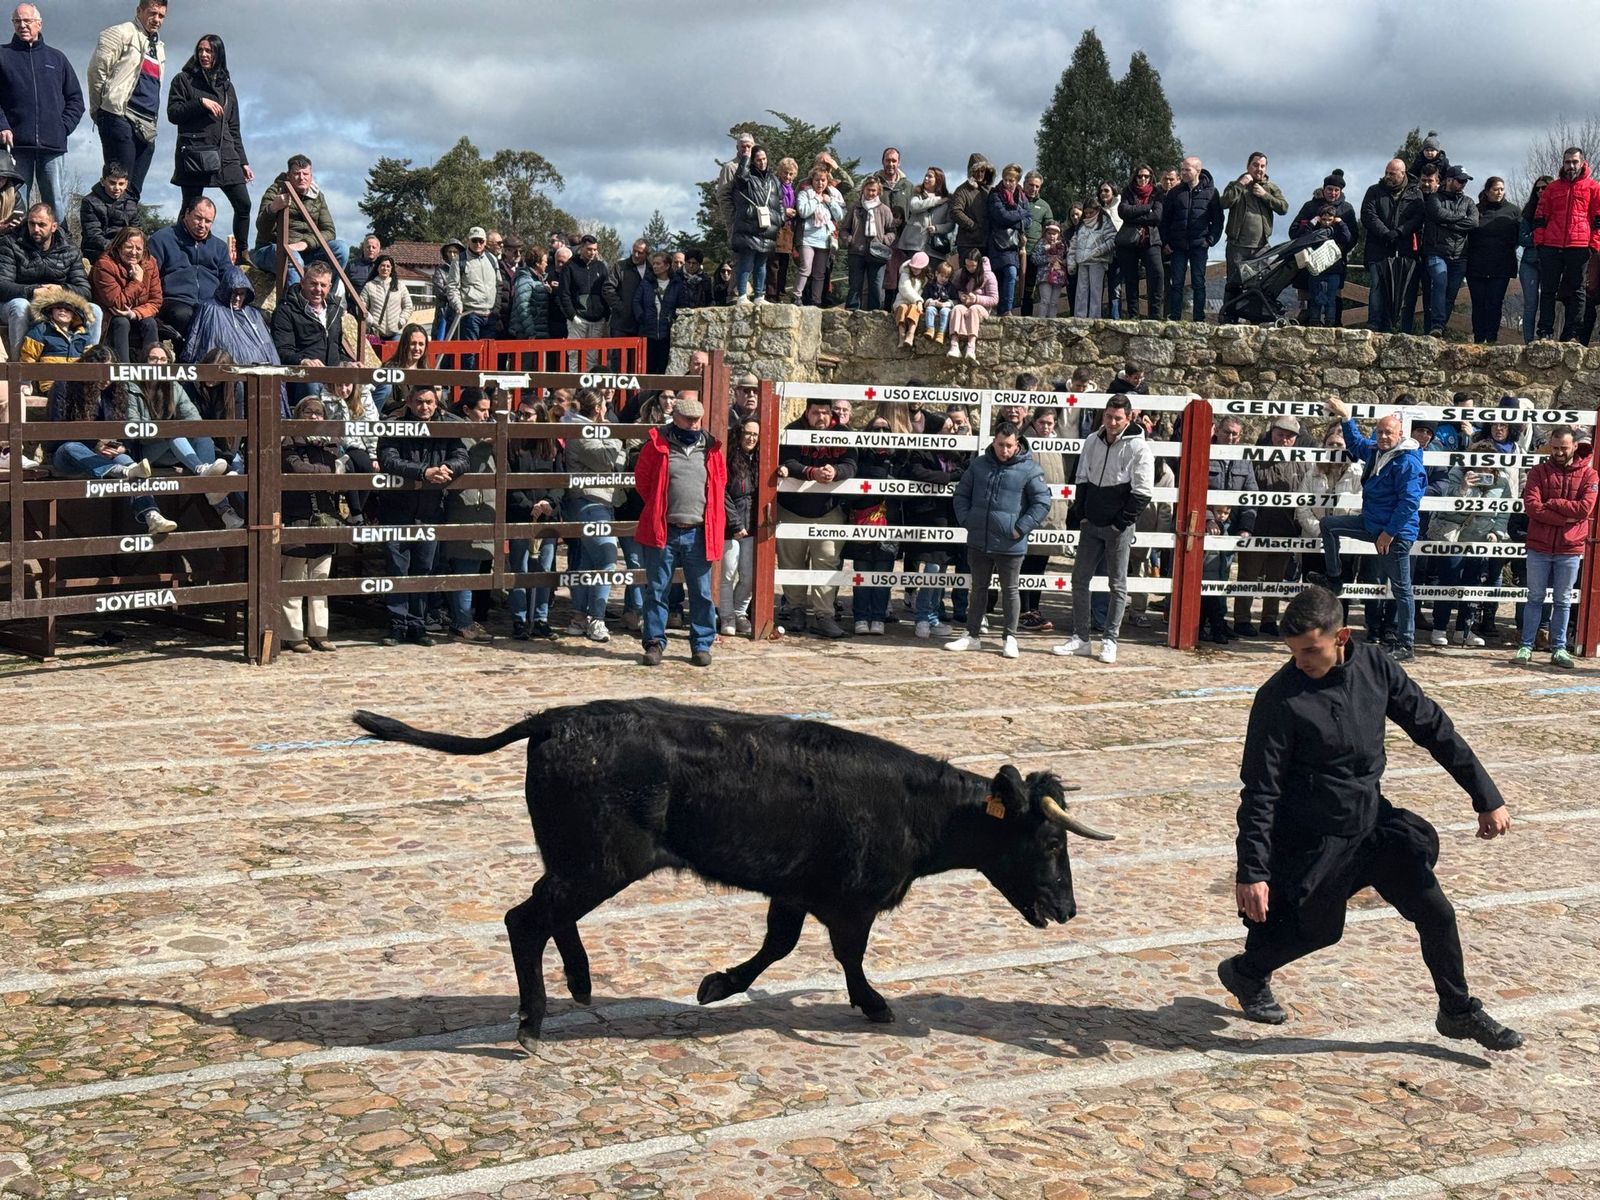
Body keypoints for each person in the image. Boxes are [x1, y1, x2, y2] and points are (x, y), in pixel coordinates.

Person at [1217, 585, 1524, 1052]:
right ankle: (1246, 971)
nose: (1300, 660)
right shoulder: (1279, 699)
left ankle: (1457, 1010)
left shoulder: (1376, 665)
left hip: (1374, 827)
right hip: (1312, 840)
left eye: (1310, 650)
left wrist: (1486, 796)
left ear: (1342, 636)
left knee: (1436, 912)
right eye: (1293, 652)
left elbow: (1434, 729)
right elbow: (1260, 792)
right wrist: (1252, 871)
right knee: (1320, 930)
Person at [1307, 399, 1424, 663]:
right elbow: (1358, 445)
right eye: (1380, 432)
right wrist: (1347, 419)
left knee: (1402, 589)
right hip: (1372, 524)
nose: (1383, 437)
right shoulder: (1377, 451)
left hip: (1396, 535)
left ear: (1400, 435)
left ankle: (1407, 644)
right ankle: (1335, 578)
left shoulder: (1407, 462)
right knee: (1329, 525)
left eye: (1388, 433)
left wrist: (1389, 533)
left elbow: (1409, 502)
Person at [1055, 395, 1153, 664]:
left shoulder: (1140, 448)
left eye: (1117, 418)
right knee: (1079, 579)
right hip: (1092, 524)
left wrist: (1120, 522)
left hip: (1118, 527)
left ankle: (1110, 639)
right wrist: (1082, 515)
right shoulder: (1091, 441)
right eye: (1108, 416)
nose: (1111, 422)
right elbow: (1082, 478)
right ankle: (1081, 638)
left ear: (1129, 418)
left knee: (1117, 584)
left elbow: (1143, 492)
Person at [943, 419, 1049, 658]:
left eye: (1009, 445)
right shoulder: (978, 465)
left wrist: (1020, 528)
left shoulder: (1030, 469)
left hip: (1010, 543)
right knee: (978, 589)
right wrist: (968, 521)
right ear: (994, 441)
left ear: (1017, 444)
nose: (1005, 450)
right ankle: (972, 635)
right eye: (1001, 444)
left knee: (1010, 590)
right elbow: (961, 495)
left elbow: (1042, 503)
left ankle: (1010, 637)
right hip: (979, 539)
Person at [633, 394, 725, 666]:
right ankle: (654, 642)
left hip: (699, 531)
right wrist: (660, 505)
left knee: (702, 593)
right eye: (689, 420)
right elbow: (644, 482)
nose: (695, 425)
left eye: (698, 420)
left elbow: (719, 485)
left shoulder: (711, 449)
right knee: (657, 590)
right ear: (676, 418)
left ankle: (701, 644)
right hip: (665, 529)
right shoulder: (656, 446)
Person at [45, 345, 176, 535]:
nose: (107, 378)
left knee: (130, 465)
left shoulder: (115, 389)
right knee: (70, 447)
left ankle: (152, 516)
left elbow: (127, 427)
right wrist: (93, 444)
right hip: (68, 455)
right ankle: (120, 471)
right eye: (102, 371)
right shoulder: (65, 385)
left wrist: (122, 446)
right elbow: (57, 431)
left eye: (111, 372)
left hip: (106, 454)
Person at [377, 385, 465, 646]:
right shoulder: (394, 426)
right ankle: (397, 625)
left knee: (424, 569)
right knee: (397, 569)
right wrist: (425, 472)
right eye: (419, 401)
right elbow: (388, 460)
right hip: (397, 509)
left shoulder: (447, 428)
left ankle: (418, 625)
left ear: (436, 403)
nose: (424, 407)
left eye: (429, 402)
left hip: (430, 510)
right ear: (408, 402)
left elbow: (462, 456)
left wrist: (448, 468)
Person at [776, 394, 857, 638]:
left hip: (828, 510)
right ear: (807, 411)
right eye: (815, 412)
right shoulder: (793, 430)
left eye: (824, 412)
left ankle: (824, 615)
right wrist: (811, 472)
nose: (820, 417)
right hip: (792, 509)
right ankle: (796, 610)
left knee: (827, 562)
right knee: (792, 563)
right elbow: (787, 460)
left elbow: (852, 463)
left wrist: (836, 471)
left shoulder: (843, 432)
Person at [1517, 426, 1597, 667]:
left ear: (1574, 446)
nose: (1559, 452)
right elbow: (1531, 506)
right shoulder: (1538, 471)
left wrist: (1552, 503)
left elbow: (1585, 509)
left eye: (1564, 448)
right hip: (1539, 545)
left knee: (1563, 600)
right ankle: (1525, 646)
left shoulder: (1589, 475)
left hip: (1569, 547)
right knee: (1535, 597)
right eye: (1555, 448)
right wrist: (1565, 517)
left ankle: (1559, 648)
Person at [167, 33, 253, 259]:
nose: (204, 55)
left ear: (218, 54)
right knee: (189, 208)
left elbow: (234, 128)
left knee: (243, 204)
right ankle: (179, 254)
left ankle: (243, 254)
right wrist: (200, 103)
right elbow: (173, 114)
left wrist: (243, 161)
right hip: (195, 153)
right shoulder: (183, 80)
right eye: (201, 50)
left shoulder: (227, 86)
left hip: (226, 153)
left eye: (209, 51)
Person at [0, 4, 81, 220]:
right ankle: (15, 249)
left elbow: (76, 100)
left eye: (27, 21)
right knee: (15, 201)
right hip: (15, 146)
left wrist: (62, 128)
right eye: (17, 21)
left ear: (39, 23)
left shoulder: (57, 59)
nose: (22, 25)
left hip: (52, 146)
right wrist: (3, 125)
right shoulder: (3, 55)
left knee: (55, 201)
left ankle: (60, 246)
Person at [1426, 441, 1511, 648]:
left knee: (1472, 584)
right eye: (1479, 463)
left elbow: (1504, 510)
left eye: (1488, 464)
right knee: (1448, 580)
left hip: (1480, 538)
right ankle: (1439, 627)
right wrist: (1464, 488)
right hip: (1454, 535)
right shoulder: (1457, 473)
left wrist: (1496, 532)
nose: (1484, 469)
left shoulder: (1502, 481)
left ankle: (1464, 630)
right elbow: (1446, 504)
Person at [561, 387, 625, 642]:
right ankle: (596, 618)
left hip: (597, 499)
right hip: (589, 500)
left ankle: (579, 616)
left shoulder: (583, 428)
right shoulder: (581, 430)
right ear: (598, 409)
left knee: (587, 561)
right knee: (608, 558)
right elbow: (608, 459)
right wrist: (616, 437)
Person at [1231, 415, 1305, 637]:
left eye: (1289, 436)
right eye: (1280, 434)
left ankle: (1269, 619)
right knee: (1248, 575)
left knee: (1276, 578)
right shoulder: (1256, 457)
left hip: (1285, 528)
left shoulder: (1302, 461)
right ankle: (1242, 619)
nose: (1284, 440)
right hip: (1257, 525)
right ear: (1272, 433)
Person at [279, 393, 340, 653]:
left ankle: (319, 633)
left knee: (320, 577)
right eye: (308, 412)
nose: (314, 417)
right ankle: (293, 634)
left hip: (325, 513)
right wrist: (328, 472)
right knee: (294, 577)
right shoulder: (288, 440)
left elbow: (341, 471)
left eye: (318, 413)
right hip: (297, 512)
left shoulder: (331, 443)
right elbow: (296, 470)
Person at [86, 0, 165, 201]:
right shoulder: (119, 33)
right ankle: (106, 230)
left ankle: (127, 232)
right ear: (139, 11)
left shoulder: (159, 46)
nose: (156, 19)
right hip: (119, 115)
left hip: (147, 124)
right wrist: (102, 110)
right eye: (152, 13)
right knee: (116, 185)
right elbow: (96, 72)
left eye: (161, 16)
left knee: (133, 192)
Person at [0, 201, 95, 354]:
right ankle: (20, 372)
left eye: (42, 224)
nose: (35, 229)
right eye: (32, 224)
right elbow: (2, 285)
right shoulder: (10, 244)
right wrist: (32, 291)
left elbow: (85, 291)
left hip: (57, 303)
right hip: (19, 300)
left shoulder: (70, 251)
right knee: (20, 307)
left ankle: (89, 370)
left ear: (54, 226)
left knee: (95, 310)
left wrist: (61, 290)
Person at [440, 386, 496, 643]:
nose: (487, 415)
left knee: (474, 569)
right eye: (482, 410)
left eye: (488, 410)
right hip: (466, 505)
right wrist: (487, 444)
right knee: (465, 567)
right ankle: (461, 621)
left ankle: (465, 618)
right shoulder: (460, 432)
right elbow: (466, 462)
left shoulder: (486, 431)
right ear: (466, 410)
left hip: (482, 505)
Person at [505, 396, 562, 641]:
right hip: (521, 514)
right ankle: (519, 619)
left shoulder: (552, 446)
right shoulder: (510, 444)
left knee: (544, 568)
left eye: (527, 414)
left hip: (547, 516)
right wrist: (530, 506)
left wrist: (549, 503)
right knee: (520, 569)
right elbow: (507, 480)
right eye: (519, 414)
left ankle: (541, 618)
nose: (522, 418)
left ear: (540, 416)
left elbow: (561, 479)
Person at [1533, 147, 1600, 342]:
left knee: (1578, 290)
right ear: (1563, 163)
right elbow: (1540, 216)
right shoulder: (1552, 188)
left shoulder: (1593, 188)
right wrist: (1540, 242)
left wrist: (1593, 245)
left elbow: (1598, 219)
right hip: (1551, 245)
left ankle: (1573, 333)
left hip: (1579, 246)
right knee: (1547, 290)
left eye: (1574, 162)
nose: (1571, 166)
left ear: (1582, 162)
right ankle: (1545, 331)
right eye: (1567, 162)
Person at [146, 195, 232, 342]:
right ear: (186, 214)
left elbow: (229, 278)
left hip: (210, 304)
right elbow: (150, 275)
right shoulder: (161, 239)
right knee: (184, 315)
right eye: (198, 218)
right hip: (174, 301)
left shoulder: (219, 247)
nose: (202, 224)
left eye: (208, 221)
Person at [250, 154, 347, 282]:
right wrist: (273, 208)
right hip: (272, 249)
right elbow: (262, 228)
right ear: (288, 175)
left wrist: (305, 243)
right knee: (293, 258)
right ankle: (295, 301)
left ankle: (328, 297)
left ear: (311, 176)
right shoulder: (276, 191)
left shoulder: (317, 196)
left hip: (305, 251)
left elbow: (329, 231)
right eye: (297, 173)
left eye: (305, 174)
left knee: (340, 249)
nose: (302, 178)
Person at [1361, 158, 1424, 334]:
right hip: (1377, 248)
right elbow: (1368, 214)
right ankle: (1373, 324)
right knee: (1377, 286)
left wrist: (1400, 232)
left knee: (1400, 290)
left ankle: (1395, 327)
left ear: (1402, 174)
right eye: (1386, 173)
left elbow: (1418, 217)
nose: (1387, 176)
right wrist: (1385, 233)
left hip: (1404, 250)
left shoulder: (1415, 193)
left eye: (1392, 173)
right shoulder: (1374, 191)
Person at [1019, 406, 1068, 631]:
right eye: (1042, 423)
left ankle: (1034, 608)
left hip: (1053, 516)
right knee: (1027, 565)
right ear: (1034, 422)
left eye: (1050, 423)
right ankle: (1025, 611)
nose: (1046, 427)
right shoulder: (1027, 444)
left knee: (1040, 566)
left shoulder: (1056, 445)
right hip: (1034, 516)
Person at [1220, 152, 1288, 309]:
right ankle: (1229, 317)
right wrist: (1240, 184)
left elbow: (1284, 208)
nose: (1259, 169)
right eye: (1255, 165)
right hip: (1237, 246)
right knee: (1234, 283)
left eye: (1262, 166)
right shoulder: (1236, 184)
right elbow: (1224, 202)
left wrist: (1265, 195)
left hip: (1261, 248)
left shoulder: (1271, 188)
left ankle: (1255, 319)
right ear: (1248, 166)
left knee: (1261, 284)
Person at [1159, 156, 1223, 321]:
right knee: (1177, 283)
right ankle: (1174, 318)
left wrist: (1209, 241)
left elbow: (1218, 220)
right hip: (1177, 246)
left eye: (1187, 169)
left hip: (1199, 245)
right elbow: (1165, 220)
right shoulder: (1174, 193)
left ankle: (1198, 319)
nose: (1184, 172)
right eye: (1182, 169)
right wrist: (1166, 242)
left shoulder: (1211, 192)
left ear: (1198, 171)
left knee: (1198, 283)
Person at [271, 261, 342, 403]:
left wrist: (351, 364)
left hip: (332, 376)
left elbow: (337, 349)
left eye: (323, 285)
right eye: (313, 283)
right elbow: (282, 351)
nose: (318, 289)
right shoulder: (286, 310)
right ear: (302, 282)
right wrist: (303, 361)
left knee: (380, 387)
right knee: (311, 383)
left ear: (329, 287)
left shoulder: (334, 310)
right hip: (302, 378)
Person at [1420, 164, 1478, 336]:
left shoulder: (1468, 201)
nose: (1463, 184)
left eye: (1465, 181)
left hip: (1460, 255)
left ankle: (1439, 328)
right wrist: (1461, 219)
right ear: (1449, 180)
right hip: (1436, 252)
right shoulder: (1434, 198)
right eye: (1460, 180)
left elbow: (1474, 222)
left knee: (1450, 294)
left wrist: (1447, 223)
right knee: (1439, 282)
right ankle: (1436, 325)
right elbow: (1437, 214)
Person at [90, 223, 161, 363]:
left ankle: (153, 371)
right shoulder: (105, 265)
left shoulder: (150, 263)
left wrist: (135, 314)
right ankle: (124, 374)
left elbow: (156, 300)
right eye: (129, 247)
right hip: (111, 318)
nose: (134, 252)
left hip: (136, 314)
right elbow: (116, 304)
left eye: (139, 248)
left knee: (150, 323)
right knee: (121, 322)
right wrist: (137, 282)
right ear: (119, 247)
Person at [721, 415, 760, 637]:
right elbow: (724, 492)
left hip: (752, 526)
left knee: (748, 575)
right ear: (740, 433)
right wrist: (735, 522)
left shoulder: (759, 459)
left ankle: (739, 612)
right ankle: (726, 616)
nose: (751, 438)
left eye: (755, 434)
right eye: (748, 433)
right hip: (730, 526)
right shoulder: (729, 458)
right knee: (727, 573)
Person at [1466, 176, 1517, 344]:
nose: (1499, 192)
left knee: (1495, 303)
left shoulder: (1513, 211)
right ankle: (1479, 339)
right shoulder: (1475, 209)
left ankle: (1492, 338)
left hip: (1501, 266)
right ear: (1487, 191)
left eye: (1502, 189)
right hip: (1476, 265)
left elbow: (1517, 238)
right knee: (1478, 303)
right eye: (1495, 189)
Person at [732, 145, 783, 303]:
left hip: (767, 227)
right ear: (753, 162)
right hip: (749, 226)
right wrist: (745, 158)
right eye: (758, 160)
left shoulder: (773, 180)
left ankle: (759, 295)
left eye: (764, 159)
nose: (762, 162)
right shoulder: (748, 176)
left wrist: (781, 218)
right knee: (746, 262)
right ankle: (742, 295)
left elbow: (780, 201)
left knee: (761, 264)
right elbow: (739, 178)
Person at [841, 175, 898, 311]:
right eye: (868, 190)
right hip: (857, 251)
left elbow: (892, 231)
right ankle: (851, 312)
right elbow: (844, 229)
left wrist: (885, 240)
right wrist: (849, 239)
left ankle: (875, 313)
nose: (871, 193)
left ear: (878, 191)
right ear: (863, 190)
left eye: (874, 190)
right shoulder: (855, 207)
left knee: (876, 286)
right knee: (855, 285)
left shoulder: (884, 210)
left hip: (878, 253)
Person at [1115, 165, 1163, 319]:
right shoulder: (1128, 191)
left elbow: (1157, 216)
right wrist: (1147, 207)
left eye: (1146, 176)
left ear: (1151, 177)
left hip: (1151, 240)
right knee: (1130, 278)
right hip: (1129, 242)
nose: (1143, 179)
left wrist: (1134, 215)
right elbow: (1123, 212)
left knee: (1157, 274)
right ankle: (1133, 315)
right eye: (1140, 176)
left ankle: (1155, 316)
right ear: (1135, 177)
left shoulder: (1157, 193)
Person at [791, 165, 843, 306]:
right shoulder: (804, 194)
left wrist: (830, 202)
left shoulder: (829, 196)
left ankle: (816, 301)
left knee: (820, 273)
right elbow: (803, 211)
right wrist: (816, 200)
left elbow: (839, 215)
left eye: (823, 180)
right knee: (806, 267)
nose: (820, 183)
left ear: (827, 181)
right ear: (812, 181)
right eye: (817, 180)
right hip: (807, 238)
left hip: (824, 240)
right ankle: (797, 296)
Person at [985, 163, 1029, 315]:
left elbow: (1029, 218)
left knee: (1011, 273)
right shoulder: (995, 194)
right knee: (997, 276)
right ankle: (995, 308)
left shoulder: (1022, 197)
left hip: (1013, 244)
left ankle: (1006, 310)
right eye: (1005, 180)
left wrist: (1018, 219)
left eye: (1012, 180)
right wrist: (1020, 215)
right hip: (997, 241)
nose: (1008, 183)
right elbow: (1002, 216)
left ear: (1017, 181)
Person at [633, 249, 686, 374]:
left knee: (663, 368)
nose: (655, 266)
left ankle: (661, 394)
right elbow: (636, 302)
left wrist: (673, 321)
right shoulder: (646, 283)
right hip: (648, 332)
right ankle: (647, 393)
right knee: (648, 368)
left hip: (666, 334)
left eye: (658, 263)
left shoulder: (677, 284)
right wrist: (642, 317)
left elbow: (682, 306)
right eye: (654, 264)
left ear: (667, 266)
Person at [78, 162, 139, 261]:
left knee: (150, 263)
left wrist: (131, 249)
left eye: (121, 184)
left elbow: (137, 231)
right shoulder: (89, 202)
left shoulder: (131, 203)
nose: (117, 188)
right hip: (98, 251)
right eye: (112, 183)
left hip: (126, 250)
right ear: (102, 181)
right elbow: (93, 235)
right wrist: (117, 250)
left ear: (126, 184)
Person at [1068, 197, 1116, 318]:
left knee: (1095, 291)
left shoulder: (1105, 222)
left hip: (1098, 261)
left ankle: (1094, 317)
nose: (1088, 215)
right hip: (1082, 261)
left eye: (1091, 212)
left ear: (1098, 210)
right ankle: (1080, 317)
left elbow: (1113, 239)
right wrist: (1071, 262)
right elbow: (1073, 244)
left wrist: (1099, 251)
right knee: (1081, 291)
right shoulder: (1081, 225)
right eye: (1086, 212)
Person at [558, 233, 611, 344]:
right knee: (575, 356)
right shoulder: (569, 266)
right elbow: (564, 294)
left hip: (597, 320)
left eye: (595, 250)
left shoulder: (601, 267)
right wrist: (572, 315)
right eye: (589, 249)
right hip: (578, 319)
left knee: (593, 358)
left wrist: (605, 315)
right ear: (581, 247)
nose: (592, 252)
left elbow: (606, 291)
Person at [948, 246, 997, 362]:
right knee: (957, 308)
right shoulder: (962, 273)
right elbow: (955, 289)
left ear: (979, 264)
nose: (969, 268)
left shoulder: (989, 276)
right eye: (967, 265)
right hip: (965, 306)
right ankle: (954, 344)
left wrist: (976, 299)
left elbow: (994, 299)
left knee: (974, 309)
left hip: (981, 308)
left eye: (972, 266)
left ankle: (971, 346)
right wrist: (961, 296)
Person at [1518, 177, 1551, 344]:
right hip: (1529, 262)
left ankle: (1546, 336)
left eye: (1544, 187)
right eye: (1537, 188)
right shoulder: (1528, 212)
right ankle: (1528, 342)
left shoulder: (1556, 210)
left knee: (1549, 298)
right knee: (1531, 303)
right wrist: (1539, 237)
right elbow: (1522, 239)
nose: (1540, 191)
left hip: (1550, 262)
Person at [1019, 170, 1053, 317]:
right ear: (1024, 184)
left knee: (1029, 288)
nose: (1033, 189)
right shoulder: (1015, 200)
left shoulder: (1044, 206)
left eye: (1037, 186)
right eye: (1031, 185)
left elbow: (1051, 229)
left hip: (1033, 253)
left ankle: (1026, 318)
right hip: (1013, 250)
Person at [949, 153, 995, 262]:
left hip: (988, 243)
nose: (979, 174)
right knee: (967, 277)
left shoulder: (990, 191)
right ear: (971, 171)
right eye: (976, 171)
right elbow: (955, 211)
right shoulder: (962, 190)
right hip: (968, 244)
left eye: (982, 171)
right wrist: (973, 226)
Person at [457, 226, 498, 346]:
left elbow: (499, 284)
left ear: (485, 242)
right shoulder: (460, 260)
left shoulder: (492, 259)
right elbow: (453, 287)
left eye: (481, 241)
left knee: (488, 353)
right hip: (470, 314)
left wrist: (496, 310)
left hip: (490, 314)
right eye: (474, 240)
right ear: (468, 241)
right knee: (470, 353)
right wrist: (458, 305)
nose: (478, 244)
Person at [360, 253, 411, 341]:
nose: (385, 268)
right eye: (383, 265)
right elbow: (361, 306)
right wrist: (369, 320)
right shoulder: (369, 286)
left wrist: (401, 320)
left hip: (396, 332)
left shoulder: (400, 286)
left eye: (388, 266)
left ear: (392, 269)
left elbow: (408, 306)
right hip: (375, 333)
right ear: (378, 267)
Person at [606, 237, 650, 337]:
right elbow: (608, 288)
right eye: (634, 251)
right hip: (621, 324)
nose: (636, 255)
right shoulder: (620, 266)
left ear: (647, 254)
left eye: (640, 252)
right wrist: (621, 308)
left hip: (642, 325)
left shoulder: (651, 269)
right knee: (618, 352)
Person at [509, 246, 551, 341]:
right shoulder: (525, 280)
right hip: (526, 334)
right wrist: (531, 332)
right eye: (545, 261)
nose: (547, 264)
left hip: (538, 331)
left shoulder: (538, 280)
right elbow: (523, 306)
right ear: (537, 263)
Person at [891, 251, 928, 347]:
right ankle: (902, 335)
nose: (914, 270)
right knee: (902, 308)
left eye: (917, 268)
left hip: (914, 305)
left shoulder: (925, 279)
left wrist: (918, 303)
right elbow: (905, 289)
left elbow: (921, 292)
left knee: (914, 309)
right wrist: (918, 301)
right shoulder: (905, 274)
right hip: (901, 302)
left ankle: (910, 334)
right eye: (913, 267)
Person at [1031, 220, 1067, 318]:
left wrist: (1062, 262)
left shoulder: (1062, 245)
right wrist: (1047, 259)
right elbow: (1034, 258)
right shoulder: (1041, 244)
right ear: (1045, 233)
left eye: (1054, 234)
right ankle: (1042, 321)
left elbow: (1067, 258)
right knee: (1045, 300)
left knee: (1054, 302)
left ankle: (1052, 321)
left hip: (1058, 276)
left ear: (1058, 234)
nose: (1052, 236)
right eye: (1049, 233)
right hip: (1044, 276)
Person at [920, 257, 956, 343]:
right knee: (929, 309)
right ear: (936, 273)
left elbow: (956, 300)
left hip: (945, 307)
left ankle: (941, 333)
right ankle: (930, 329)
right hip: (933, 305)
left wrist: (947, 304)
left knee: (945, 311)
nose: (944, 279)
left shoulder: (950, 287)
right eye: (942, 276)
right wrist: (932, 302)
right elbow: (923, 299)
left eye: (946, 277)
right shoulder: (930, 285)